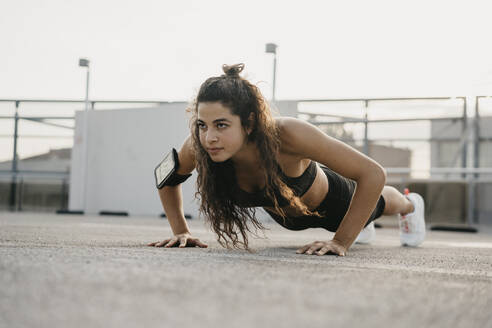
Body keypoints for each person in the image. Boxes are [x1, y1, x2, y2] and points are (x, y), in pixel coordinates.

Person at [148, 63, 425, 256]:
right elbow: (166, 178)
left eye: (221, 125)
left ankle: (411, 205)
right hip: (289, 216)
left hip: (335, 205)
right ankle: (362, 224)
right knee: (364, 216)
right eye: (202, 125)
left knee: (381, 201)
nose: (209, 137)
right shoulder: (200, 145)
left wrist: (341, 240)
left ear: (249, 122)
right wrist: (180, 231)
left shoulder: (288, 134)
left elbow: (373, 174)